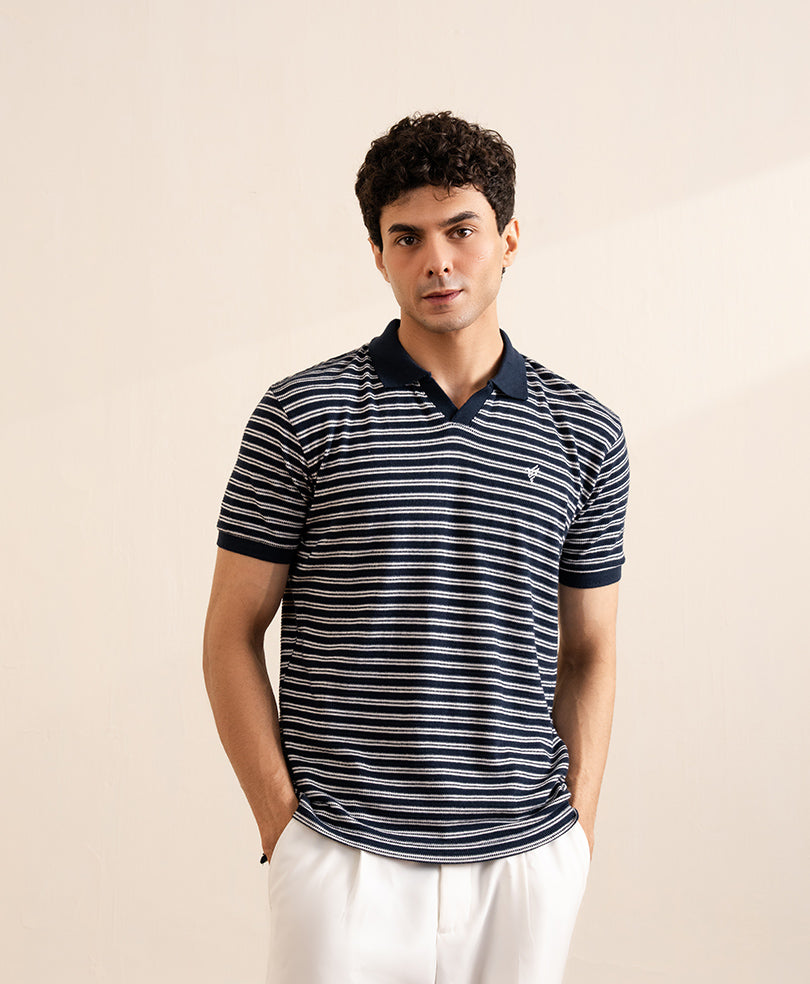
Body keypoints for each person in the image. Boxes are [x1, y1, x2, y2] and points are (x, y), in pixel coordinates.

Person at [203, 111, 629, 984]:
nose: (437, 259)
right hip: (342, 853)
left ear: (509, 239)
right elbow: (230, 634)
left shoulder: (585, 433)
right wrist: (285, 827)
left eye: (461, 230)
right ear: (379, 254)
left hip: (525, 859)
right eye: (408, 237)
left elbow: (589, 651)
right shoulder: (302, 415)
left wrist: (576, 836)